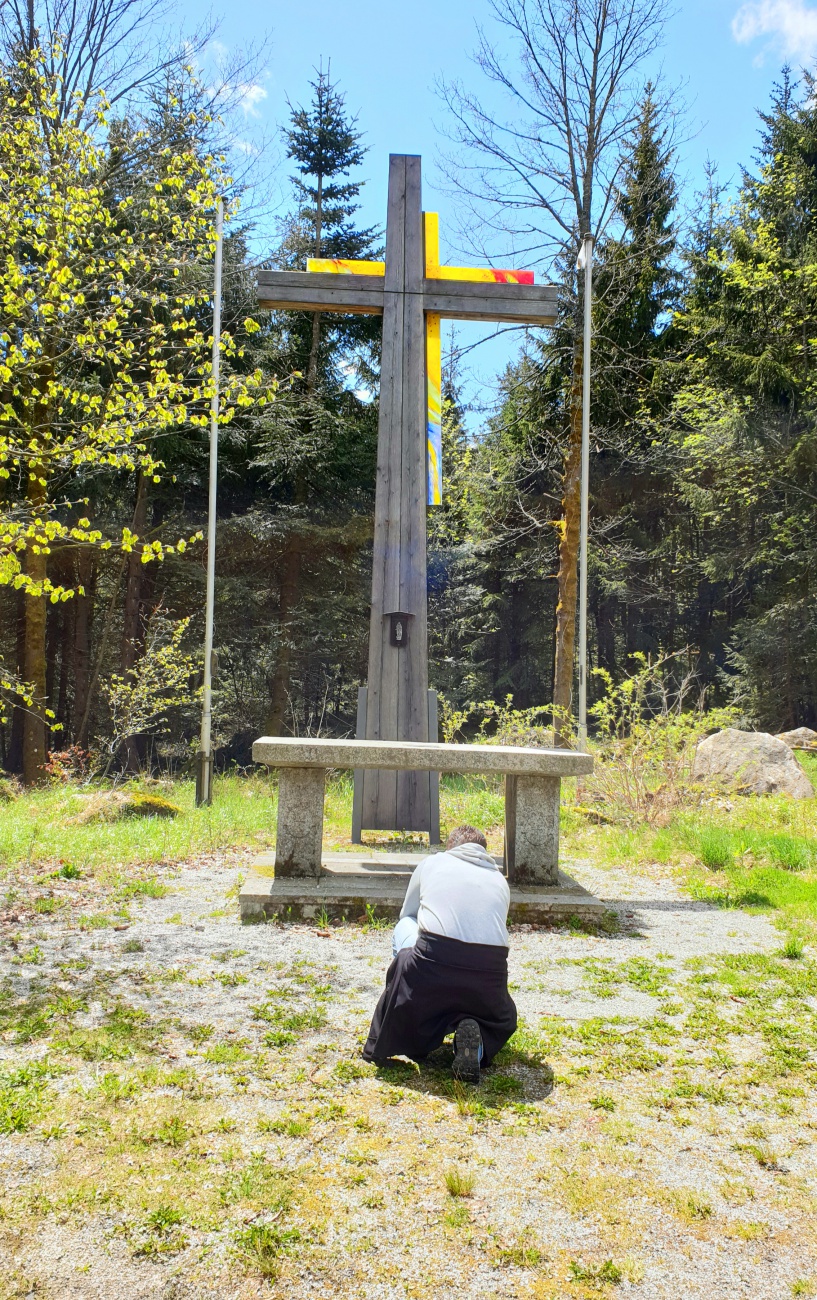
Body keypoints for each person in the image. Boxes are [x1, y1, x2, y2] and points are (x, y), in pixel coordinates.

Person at [362, 825, 517, 1083]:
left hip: (432, 968)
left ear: (450, 847)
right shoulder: (499, 880)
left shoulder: (434, 863)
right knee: (486, 1011)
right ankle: (474, 1045)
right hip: (487, 980)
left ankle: (415, 1012)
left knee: (406, 927)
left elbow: (407, 914)